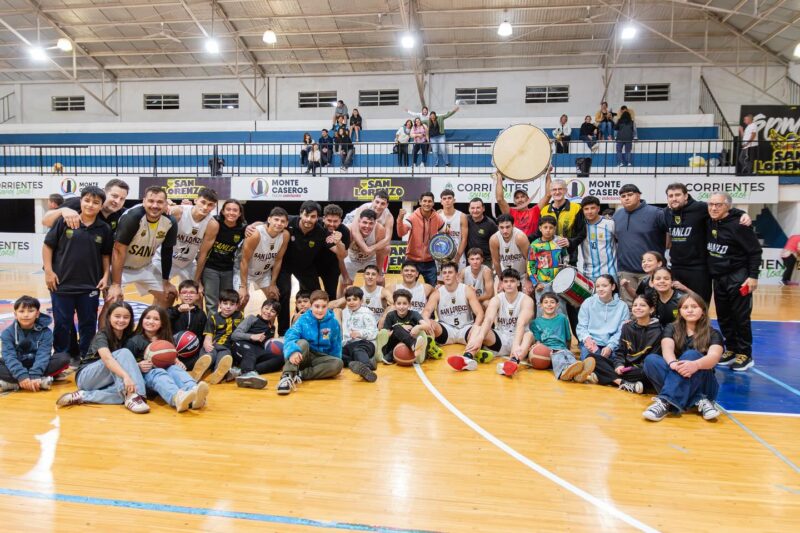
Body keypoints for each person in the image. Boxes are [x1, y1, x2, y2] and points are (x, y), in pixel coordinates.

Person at [43, 186, 112, 362]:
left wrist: (105, 276)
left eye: (96, 202)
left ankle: (86, 356)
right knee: (62, 324)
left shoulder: (103, 229)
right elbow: (48, 246)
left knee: (88, 324)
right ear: (80, 201)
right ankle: (61, 358)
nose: (90, 205)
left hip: (90, 286)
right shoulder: (64, 222)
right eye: (87, 200)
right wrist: (49, 272)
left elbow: (105, 255)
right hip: (61, 284)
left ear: (101, 206)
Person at [642, 293, 723, 422]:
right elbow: (667, 348)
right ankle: (699, 399)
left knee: (691, 355)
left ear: (703, 311)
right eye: (685, 307)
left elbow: (714, 357)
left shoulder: (713, 333)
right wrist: (673, 363)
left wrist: (695, 365)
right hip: (678, 373)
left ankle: (664, 401)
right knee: (651, 360)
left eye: (694, 306)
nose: (689, 310)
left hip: (705, 384)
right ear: (680, 312)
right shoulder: (671, 328)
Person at [664, 182, 750, 303]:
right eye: (670, 196)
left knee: (700, 304)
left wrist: (742, 213)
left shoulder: (700, 208)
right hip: (677, 268)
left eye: (677, 195)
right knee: (678, 306)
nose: (674, 198)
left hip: (699, 268)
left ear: (686, 196)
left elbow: (723, 209)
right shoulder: (667, 213)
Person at [56, 301, 149, 413]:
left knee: (121, 391)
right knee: (123, 353)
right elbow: (107, 359)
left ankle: (83, 396)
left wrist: (136, 365)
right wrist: (125, 376)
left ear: (131, 319)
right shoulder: (101, 335)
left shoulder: (130, 337)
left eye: (126, 317)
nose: (121, 320)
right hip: (86, 377)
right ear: (109, 317)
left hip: (108, 378)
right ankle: (137, 396)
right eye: (117, 316)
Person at [707, 192, 762, 371]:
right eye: (711, 204)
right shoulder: (709, 221)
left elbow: (755, 252)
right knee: (723, 316)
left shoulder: (740, 225)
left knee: (740, 317)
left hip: (738, 277)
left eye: (719, 205)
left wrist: (753, 276)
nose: (714, 208)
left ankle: (745, 354)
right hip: (719, 277)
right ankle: (731, 349)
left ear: (728, 207)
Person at [277, 201, 345, 334]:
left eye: (313, 216)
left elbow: (341, 254)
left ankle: (314, 329)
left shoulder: (321, 232)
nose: (309, 219)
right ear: (300, 214)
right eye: (306, 215)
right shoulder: (288, 222)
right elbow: (265, 223)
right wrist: (252, 227)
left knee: (316, 297)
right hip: (285, 265)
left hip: (305, 267)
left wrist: (339, 242)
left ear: (318, 218)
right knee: (284, 293)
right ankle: (284, 332)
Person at [124, 305, 207, 412]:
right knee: (158, 372)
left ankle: (195, 392)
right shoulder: (134, 341)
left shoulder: (166, 339)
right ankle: (177, 398)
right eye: (147, 318)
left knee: (175, 369)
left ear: (162, 322)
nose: (151, 321)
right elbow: (125, 364)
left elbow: (171, 357)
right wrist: (138, 366)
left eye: (156, 319)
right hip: (146, 379)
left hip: (165, 378)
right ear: (142, 320)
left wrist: (176, 361)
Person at [106, 186, 177, 308]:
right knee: (113, 300)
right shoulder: (133, 217)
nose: (155, 205)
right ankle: (104, 328)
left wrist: (165, 280)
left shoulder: (170, 221)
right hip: (121, 268)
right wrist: (116, 284)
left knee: (169, 295)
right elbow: (118, 250)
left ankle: (151, 325)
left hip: (145, 267)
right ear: (144, 201)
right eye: (151, 201)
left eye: (160, 202)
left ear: (166, 204)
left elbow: (167, 251)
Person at [584, 293, 662, 394]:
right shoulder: (627, 326)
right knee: (591, 357)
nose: (638, 308)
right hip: (624, 368)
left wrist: (630, 369)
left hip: (641, 371)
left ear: (651, 310)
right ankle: (623, 383)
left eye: (642, 305)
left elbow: (653, 360)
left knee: (647, 374)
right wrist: (619, 365)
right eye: (635, 305)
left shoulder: (658, 331)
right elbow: (620, 351)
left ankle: (606, 378)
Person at [154, 188, 219, 304]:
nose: (205, 207)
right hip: (165, 260)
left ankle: (192, 321)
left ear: (214, 207)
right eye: (203, 202)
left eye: (210, 205)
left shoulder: (212, 224)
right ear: (195, 200)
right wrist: (165, 204)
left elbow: (203, 254)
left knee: (197, 296)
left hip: (187, 263)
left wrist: (197, 281)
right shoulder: (179, 212)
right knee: (165, 295)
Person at [465, 269, 534, 377]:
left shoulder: (527, 300)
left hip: (519, 340)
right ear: (502, 283)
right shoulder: (497, 299)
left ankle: (512, 363)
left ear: (518, 283)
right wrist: (480, 337)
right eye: (506, 281)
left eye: (512, 281)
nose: (509, 284)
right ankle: (467, 358)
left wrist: (515, 346)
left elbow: (520, 324)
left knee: (529, 335)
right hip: (501, 338)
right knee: (478, 329)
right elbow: (488, 319)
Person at [422, 262, 489, 372]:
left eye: (450, 272)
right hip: (447, 330)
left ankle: (468, 357)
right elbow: (426, 311)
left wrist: (475, 327)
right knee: (427, 323)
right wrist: (427, 321)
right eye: (444, 273)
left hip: (466, 328)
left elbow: (480, 313)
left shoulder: (466, 289)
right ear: (442, 276)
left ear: (457, 275)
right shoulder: (437, 292)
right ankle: (431, 349)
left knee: (479, 328)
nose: (447, 275)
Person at [277, 290, 344, 395]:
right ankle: (287, 376)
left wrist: (334, 362)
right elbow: (289, 336)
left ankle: (300, 374)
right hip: (302, 355)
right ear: (311, 306)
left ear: (327, 306)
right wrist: (293, 351)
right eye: (317, 306)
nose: (320, 310)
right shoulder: (303, 320)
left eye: (323, 306)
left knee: (338, 364)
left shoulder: (333, 323)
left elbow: (336, 345)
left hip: (319, 358)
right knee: (302, 343)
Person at [0, 296, 70, 393]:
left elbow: (43, 355)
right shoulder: (7, 333)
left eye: (30, 311)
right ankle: (39, 382)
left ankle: (14, 383)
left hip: (38, 364)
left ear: (37, 314)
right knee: (6, 361)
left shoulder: (46, 332)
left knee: (64, 358)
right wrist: (21, 376)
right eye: (21, 311)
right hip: (17, 365)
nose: (26, 315)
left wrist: (35, 374)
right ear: (15, 314)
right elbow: (9, 357)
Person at [522, 291, 595, 383]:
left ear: (557, 305)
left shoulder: (562, 318)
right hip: (547, 351)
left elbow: (568, 338)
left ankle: (580, 373)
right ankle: (562, 373)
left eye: (552, 302)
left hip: (562, 349)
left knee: (569, 355)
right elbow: (537, 341)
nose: (549, 305)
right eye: (546, 302)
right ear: (540, 305)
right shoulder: (535, 323)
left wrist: (568, 350)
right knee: (558, 355)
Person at [613, 184, 667, 307]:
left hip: (650, 272)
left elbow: (670, 234)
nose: (626, 198)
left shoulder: (656, 213)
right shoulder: (617, 215)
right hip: (626, 271)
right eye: (623, 196)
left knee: (653, 306)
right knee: (631, 307)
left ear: (639, 196)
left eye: (630, 195)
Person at [235, 207, 289, 309]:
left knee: (274, 300)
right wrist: (243, 286)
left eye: (282, 221)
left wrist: (273, 284)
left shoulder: (285, 235)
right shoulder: (256, 234)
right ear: (269, 220)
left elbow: (278, 260)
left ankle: (268, 325)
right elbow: (244, 261)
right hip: (244, 271)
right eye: (276, 219)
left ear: (286, 224)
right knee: (242, 299)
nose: (279, 223)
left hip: (263, 272)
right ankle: (238, 324)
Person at [202, 199, 246, 312]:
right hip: (210, 268)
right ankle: (211, 328)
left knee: (228, 301)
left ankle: (225, 327)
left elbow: (259, 225)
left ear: (240, 213)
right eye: (228, 209)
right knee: (212, 303)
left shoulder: (243, 228)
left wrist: (255, 225)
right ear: (222, 211)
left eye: (235, 210)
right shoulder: (214, 222)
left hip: (228, 269)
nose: (231, 212)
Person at [42, 178, 130, 234]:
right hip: (62, 261)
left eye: (122, 198)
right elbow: (45, 221)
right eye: (114, 196)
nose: (117, 201)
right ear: (104, 192)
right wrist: (62, 210)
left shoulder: (125, 214)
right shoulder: (79, 203)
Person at [231, 299, 283, 389]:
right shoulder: (252, 318)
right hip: (241, 346)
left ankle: (241, 372)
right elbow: (234, 335)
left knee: (281, 358)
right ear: (261, 308)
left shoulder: (272, 328)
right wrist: (252, 336)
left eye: (272, 311)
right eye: (266, 308)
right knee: (250, 352)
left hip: (257, 352)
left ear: (276, 315)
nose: (268, 312)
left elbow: (267, 345)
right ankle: (247, 373)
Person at [576, 275, 629, 361]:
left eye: (604, 286)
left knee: (615, 365)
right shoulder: (588, 302)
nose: (600, 289)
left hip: (612, 345)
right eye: (597, 286)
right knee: (590, 363)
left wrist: (610, 347)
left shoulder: (622, 306)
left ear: (613, 286)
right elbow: (581, 327)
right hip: (591, 343)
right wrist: (588, 341)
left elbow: (621, 331)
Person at [397, 192, 444, 287]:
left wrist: (447, 234)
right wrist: (400, 219)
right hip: (412, 260)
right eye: (425, 201)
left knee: (432, 289)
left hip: (430, 261)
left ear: (433, 203)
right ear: (420, 202)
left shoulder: (437, 217)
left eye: (430, 201)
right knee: (409, 288)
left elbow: (444, 234)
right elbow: (401, 233)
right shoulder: (413, 217)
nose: (427, 203)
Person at [347, 191, 394, 284]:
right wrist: (365, 248)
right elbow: (355, 231)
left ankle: (380, 272)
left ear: (387, 205)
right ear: (372, 201)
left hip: (370, 232)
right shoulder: (364, 208)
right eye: (377, 202)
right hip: (352, 223)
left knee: (386, 248)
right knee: (348, 235)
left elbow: (387, 239)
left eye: (383, 203)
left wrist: (370, 249)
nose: (379, 206)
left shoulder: (388, 217)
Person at [199, 289, 244, 384]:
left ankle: (217, 374)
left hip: (226, 347)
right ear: (219, 304)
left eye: (232, 304)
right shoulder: (213, 318)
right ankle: (200, 369)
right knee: (208, 355)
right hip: (214, 345)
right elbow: (208, 335)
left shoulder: (240, 316)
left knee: (224, 358)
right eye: (225, 303)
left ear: (237, 306)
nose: (228, 307)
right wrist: (207, 343)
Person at [375, 288, 431, 364]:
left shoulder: (414, 314)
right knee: (397, 328)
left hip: (407, 345)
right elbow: (386, 334)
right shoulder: (391, 315)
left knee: (421, 333)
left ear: (409, 305)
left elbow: (427, 326)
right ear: (394, 304)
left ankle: (389, 357)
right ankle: (413, 344)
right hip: (391, 345)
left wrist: (417, 327)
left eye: (405, 303)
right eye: (399, 303)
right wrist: (401, 328)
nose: (401, 307)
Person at [167, 279, 209, 377]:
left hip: (191, 350)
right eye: (184, 292)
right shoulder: (172, 310)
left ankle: (195, 369)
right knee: (166, 360)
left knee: (206, 354)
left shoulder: (201, 314)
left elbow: (201, 334)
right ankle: (178, 367)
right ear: (179, 295)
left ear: (197, 295)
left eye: (192, 292)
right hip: (174, 351)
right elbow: (163, 319)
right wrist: (178, 310)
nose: (188, 295)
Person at [494, 168, 551, 239]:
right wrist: (499, 177)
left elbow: (548, 195)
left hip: (532, 246)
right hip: (516, 246)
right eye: (517, 198)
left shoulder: (535, 211)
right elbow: (499, 199)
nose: (520, 199)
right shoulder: (510, 212)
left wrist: (548, 174)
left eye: (522, 197)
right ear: (514, 201)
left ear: (528, 199)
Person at [527, 216, 567, 313]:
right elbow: (530, 265)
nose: (548, 230)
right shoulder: (534, 245)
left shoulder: (560, 241)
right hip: (542, 283)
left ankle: (561, 328)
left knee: (560, 309)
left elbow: (566, 260)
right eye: (545, 227)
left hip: (559, 283)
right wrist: (536, 283)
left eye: (551, 227)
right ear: (540, 228)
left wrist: (564, 278)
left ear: (555, 228)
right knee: (542, 310)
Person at [342, 209, 387, 291]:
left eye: (371, 223)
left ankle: (381, 302)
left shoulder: (379, 230)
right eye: (364, 222)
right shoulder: (349, 230)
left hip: (371, 259)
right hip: (351, 258)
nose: (367, 226)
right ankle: (341, 301)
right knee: (344, 282)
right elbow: (341, 255)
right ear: (359, 221)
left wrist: (379, 273)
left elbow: (381, 252)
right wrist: (344, 275)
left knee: (380, 281)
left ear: (375, 223)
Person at [340, 286, 379, 382]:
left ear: (361, 301)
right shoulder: (345, 312)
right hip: (349, 344)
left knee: (358, 350)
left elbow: (373, 332)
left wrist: (359, 333)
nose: (351, 302)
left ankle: (366, 368)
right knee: (337, 355)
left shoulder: (367, 313)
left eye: (355, 299)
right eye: (348, 300)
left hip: (366, 343)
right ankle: (361, 364)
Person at [575, 196, 617, 282]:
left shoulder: (610, 223)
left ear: (598, 208)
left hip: (610, 272)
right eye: (586, 209)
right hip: (588, 274)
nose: (589, 211)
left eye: (592, 208)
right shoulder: (580, 226)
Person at [316, 204, 351, 300]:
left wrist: (338, 242)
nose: (332, 224)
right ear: (323, 218)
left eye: (335, 221)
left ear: (341, 220)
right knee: (309, 293)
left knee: (331, 295)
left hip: (331, 266)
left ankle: (329, 315)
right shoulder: (315, 225)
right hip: (312, 263)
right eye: (329, 220)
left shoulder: (345, 232)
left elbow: (343, 255)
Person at [490, 214, 531, 290]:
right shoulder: (494, 239)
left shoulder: (520, 237)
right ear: (498, 227)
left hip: (522, 274)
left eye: (508, 227)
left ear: (513, 225)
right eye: (501, 227)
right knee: (498, 293)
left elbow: (529, 259)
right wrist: (500, 279)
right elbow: (496, 261)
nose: (505, 231)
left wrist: (527, 279)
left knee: (527, 292)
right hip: (504, 275)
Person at [438, 189, 469, 268]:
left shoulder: (462, 216)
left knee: (458, 279)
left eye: (449, 198)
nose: (447, 201)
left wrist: (458, 256)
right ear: (441, 202)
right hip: (440, 253)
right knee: (440, 280)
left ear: (454, 200)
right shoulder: (437, 215)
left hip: (458, 254)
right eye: (444, 199)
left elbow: (464, 239)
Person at [466, 198, 498, 263]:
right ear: (469, 209)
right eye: (472, 208)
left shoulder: (490, 224)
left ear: (483, 208)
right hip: (469, 260)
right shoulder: (465, 219)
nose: (475, 210)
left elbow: (497, 243)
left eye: (478, 208)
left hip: (486, 260)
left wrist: (494, 261)